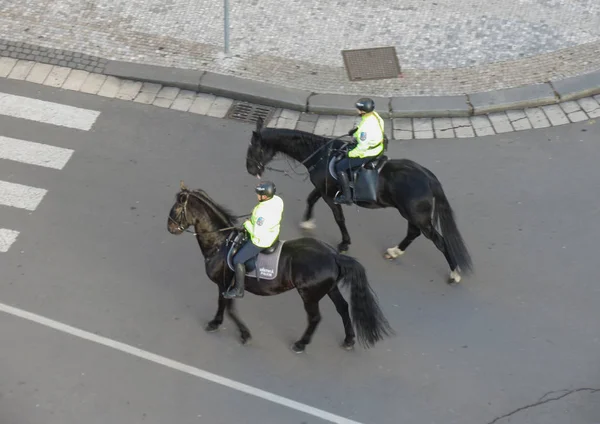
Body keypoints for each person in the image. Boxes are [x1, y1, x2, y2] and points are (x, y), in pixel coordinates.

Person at [223, 181, 284, 299]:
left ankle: (238, 290)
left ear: (265, 196)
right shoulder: (277, 200)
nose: (257, 196)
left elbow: (257, 233)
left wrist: (247, 223)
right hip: (274, 233)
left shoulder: (262, 212)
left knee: (238, 260)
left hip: (262, 240)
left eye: (259, 194)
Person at [334, 97, 385, 205]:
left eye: (358, 109)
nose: (357, 110)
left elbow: (361, 148)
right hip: (379, 146)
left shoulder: (365, 129)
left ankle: (346, 197)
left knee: (340, 167)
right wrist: (356, 130)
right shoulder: (374, 115)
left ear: (362, 111)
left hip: (368, 152)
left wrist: (349, 153)